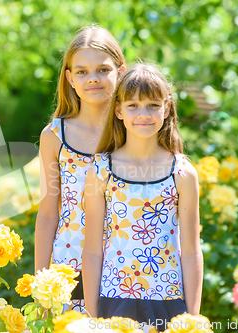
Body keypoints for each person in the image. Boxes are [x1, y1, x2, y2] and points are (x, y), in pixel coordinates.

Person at [82, 62, 203, 332]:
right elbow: (91, 251)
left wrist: (192, 319)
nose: (143, 114)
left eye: (153, 105)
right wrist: (91, 318)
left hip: (169, 302)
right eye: (133, 105)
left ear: (167, 108)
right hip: (114, 300)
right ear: (119, 110)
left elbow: (192, 250)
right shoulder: (101, 170)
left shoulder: (182, 173)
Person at [34, 24, 126, 314]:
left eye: (103, 70)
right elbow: (49, 212)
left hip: (126, 264)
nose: (93, 79)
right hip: (68, 265)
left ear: (120, 71)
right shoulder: (54, 136)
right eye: (83, 72)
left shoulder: (136, 131)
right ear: (70, 78)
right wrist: (41, 283)